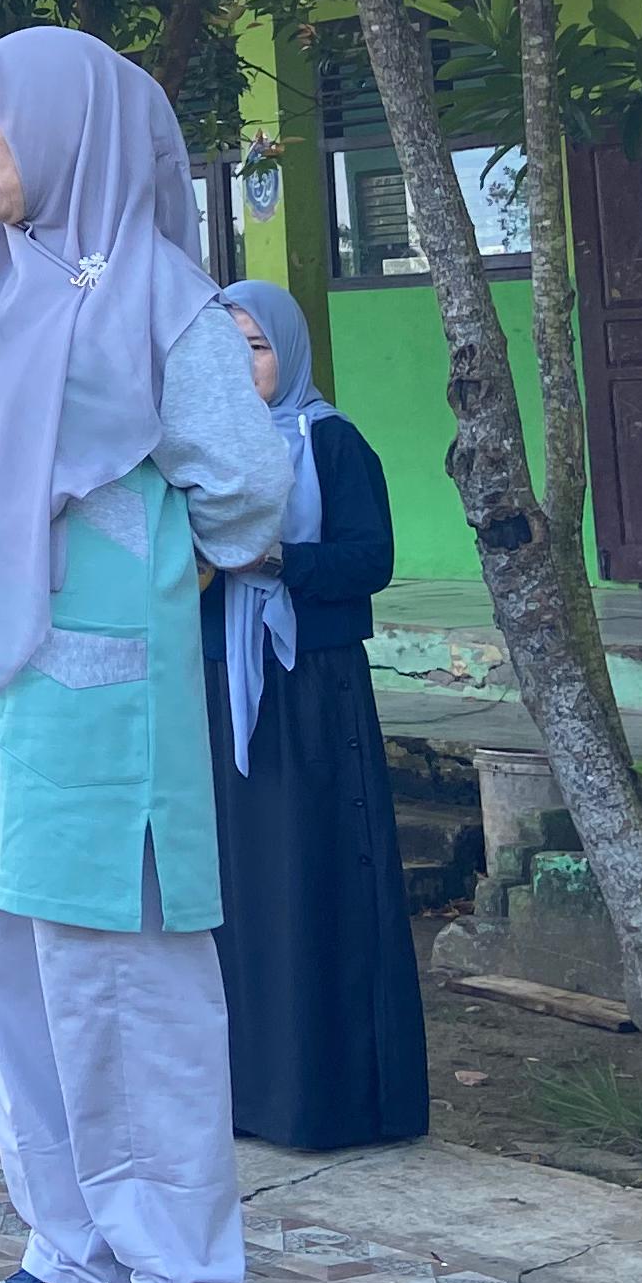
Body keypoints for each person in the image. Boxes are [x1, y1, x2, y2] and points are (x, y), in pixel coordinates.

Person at [0, 28, 289, 1283]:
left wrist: (129, 537)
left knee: (125, 982)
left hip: (100, 681)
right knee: (6, 965)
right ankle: (74, 1255)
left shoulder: (165, 296)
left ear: (74, 130)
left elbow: (243, 489)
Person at [207, 280, 426, 1150]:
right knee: (241, 892)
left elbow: (370, 559)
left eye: (256, 347)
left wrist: (279, 561)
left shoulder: (331, 442)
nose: (242, 366)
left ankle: (329, 1099)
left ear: (289, 351)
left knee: (316, 885)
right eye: (224, 350)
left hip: (312, 694)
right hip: (228, 691)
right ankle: (246, 1091)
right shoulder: (205, 453)